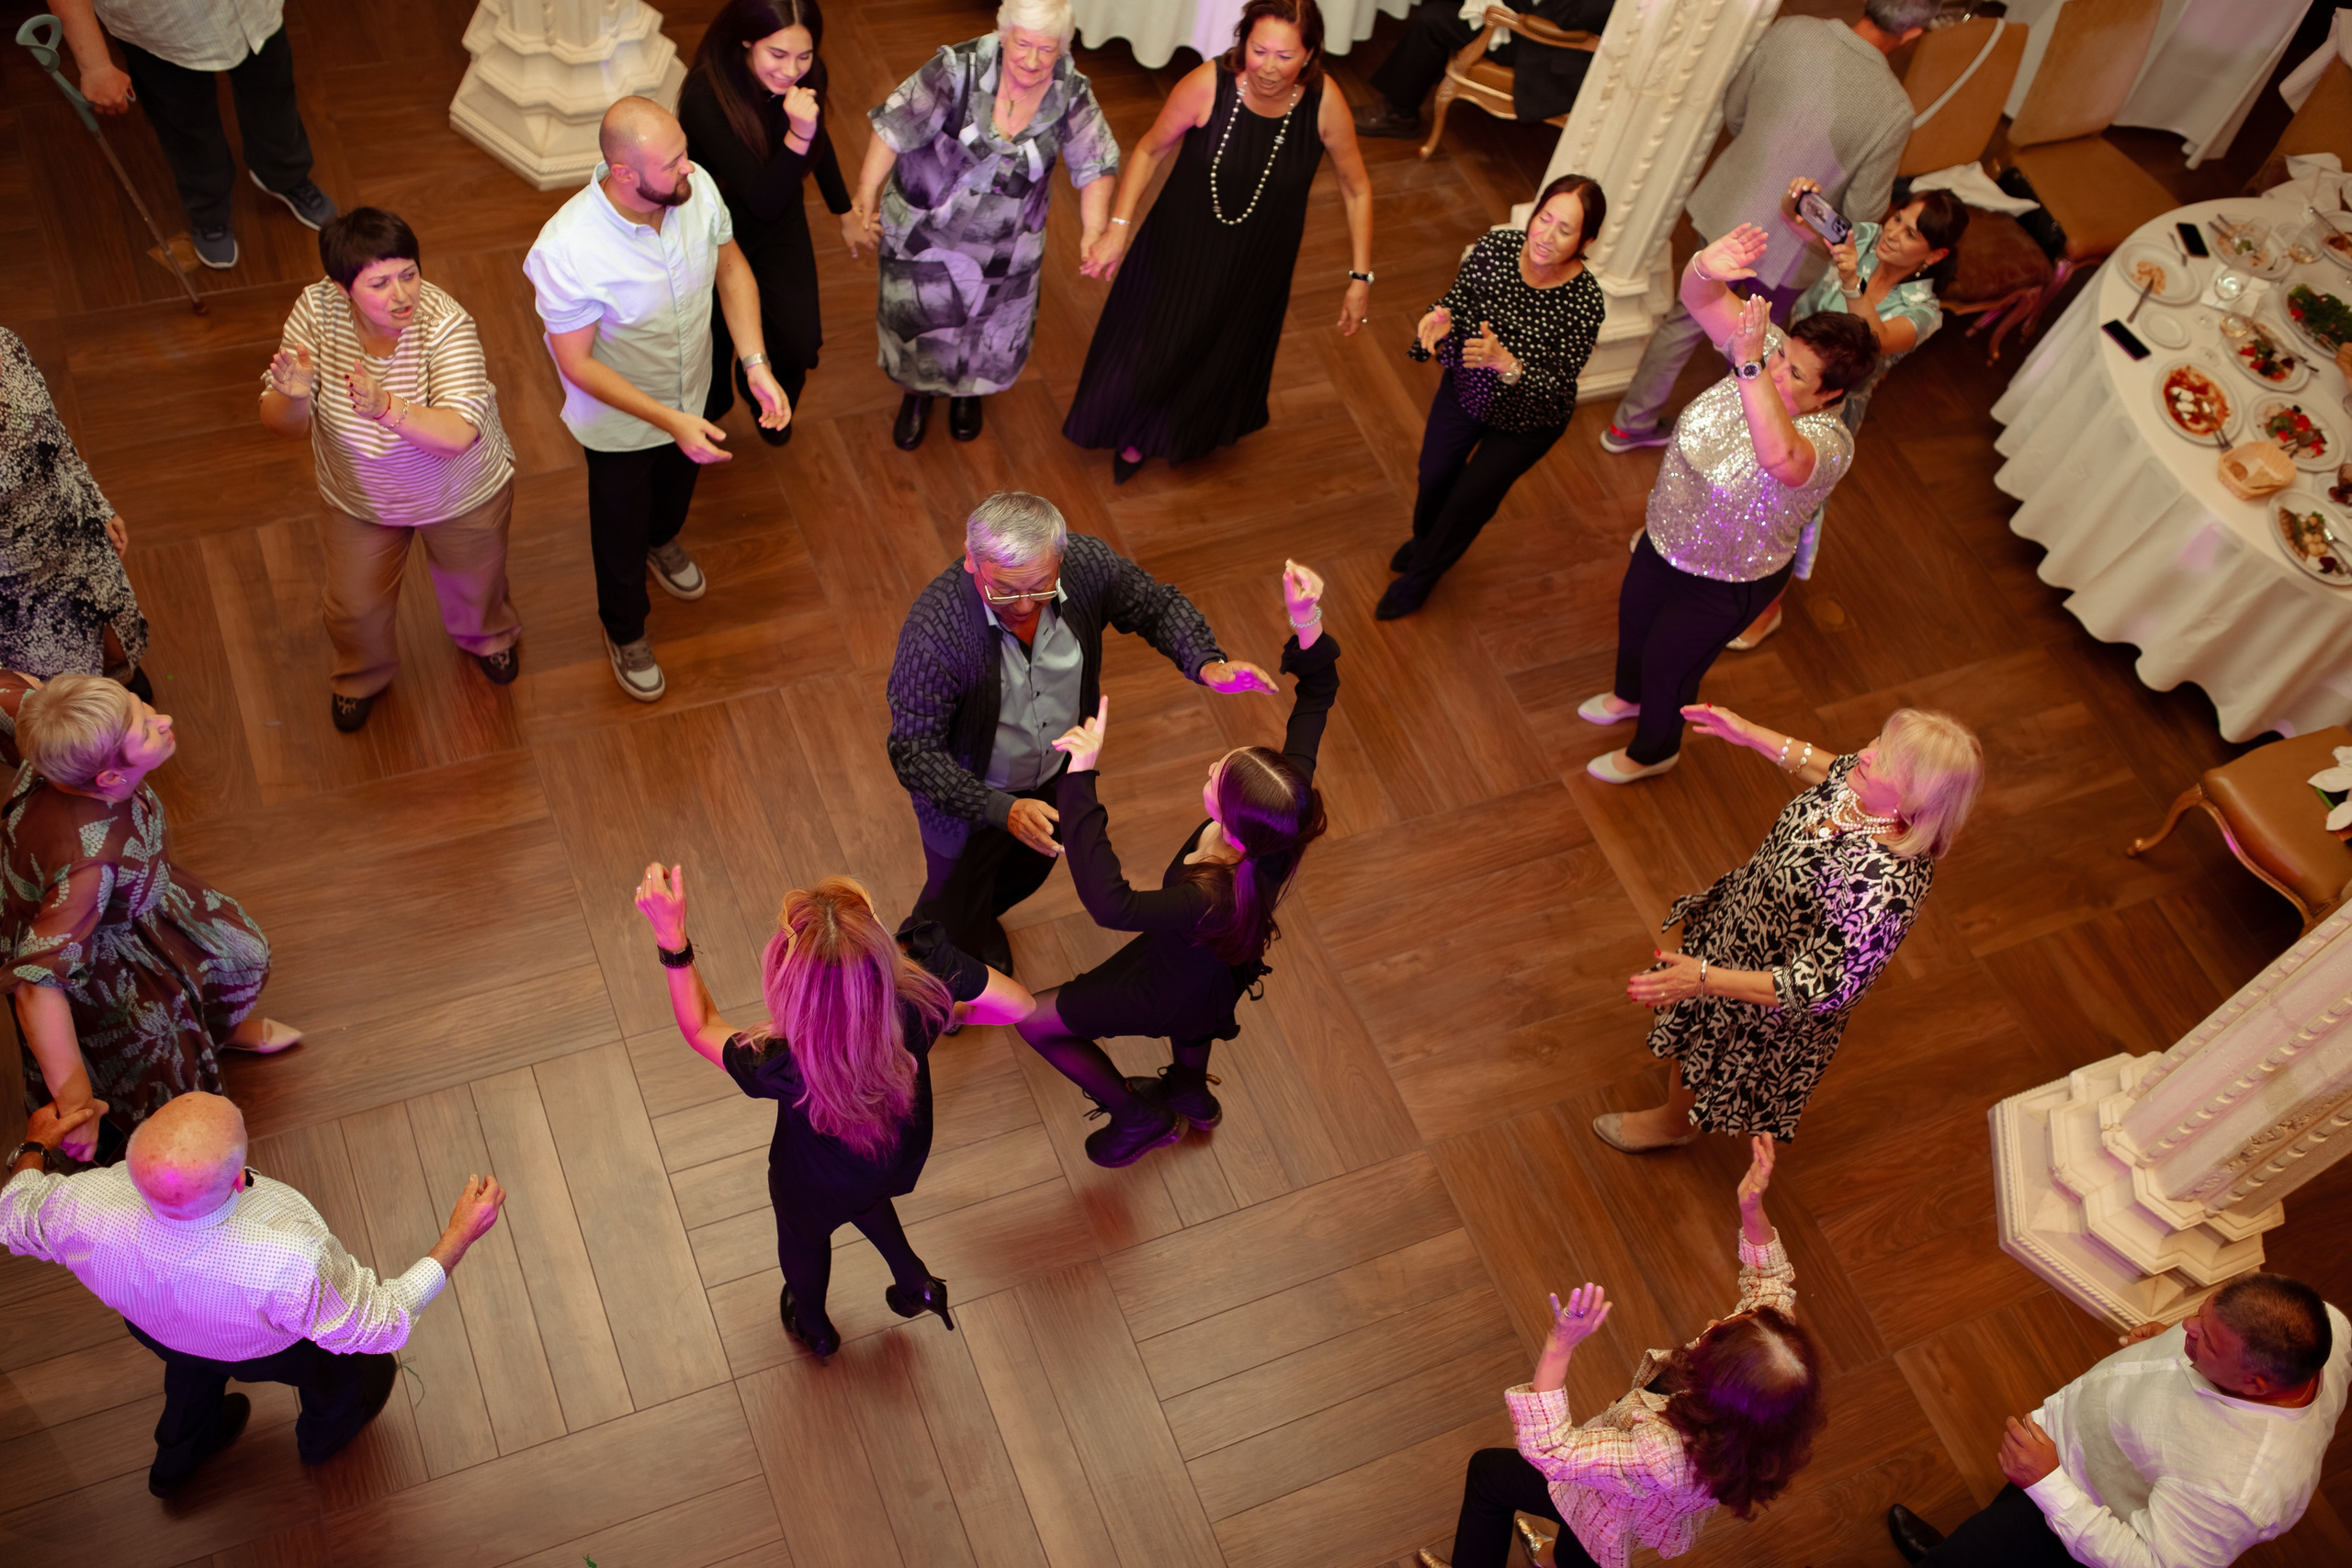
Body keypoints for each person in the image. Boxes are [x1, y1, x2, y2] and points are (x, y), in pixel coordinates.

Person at [0, 1091, 505, 1496]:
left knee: (190, 1374)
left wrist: (35, 1145)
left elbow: (15, 1211)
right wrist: (458, 1235)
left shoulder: (82, 1202)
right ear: (241, 1179)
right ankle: (320, 1444)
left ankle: (174, 1464)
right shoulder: (289, 1262)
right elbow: (383, 1321)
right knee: (350, 1376)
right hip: (269, 1350)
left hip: (158, 1329)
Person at [632, 865, 1035, 1359]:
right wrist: (954, 1005)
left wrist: (671, 937)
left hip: (815, 1178)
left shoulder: (780, 1062)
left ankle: (815, 1326)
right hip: (897, 1148)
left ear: (792, 985)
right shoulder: (924, 994)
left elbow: (700, 1027)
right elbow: (1020, 1007)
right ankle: (917, 1285)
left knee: (804, 1239)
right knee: (864, 1195)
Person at [1017, 560, 1337, 1168]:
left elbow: (1113, 905)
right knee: (1199, 1015)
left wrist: (1079, 780)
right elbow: (1317, 697)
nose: (1212, 767)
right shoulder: (1282, 814)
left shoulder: (1206, 896)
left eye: (1220, 773)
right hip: (1216, 973)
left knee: (1034, 1019)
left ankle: (1137, 1117)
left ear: (1234, 819)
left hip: (1165, 984)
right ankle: (1191, 1093)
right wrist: (1306, 618)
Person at [885, 491, 1273, 977]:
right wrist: (1002, 809)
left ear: (1060, 560)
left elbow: (1153, 604)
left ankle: (977, 927)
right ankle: (929, 960)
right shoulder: (933, 633)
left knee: (1026, 874)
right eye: (1004, 590)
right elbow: (914, 753)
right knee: (953, 897)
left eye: (1041, 587)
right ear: (971, 560)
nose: (1024, 606)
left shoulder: (1087, 565)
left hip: (1057, 776)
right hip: (972, 801)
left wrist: (1207, 661)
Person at [1418, 1134, 1822, 1568]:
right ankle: (1552, 1560)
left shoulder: (1663, 1454)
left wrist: (1560, 1345)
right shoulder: (1770, 1381)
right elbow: (1772, 1282)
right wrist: (1751, 1207)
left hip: (1607, 1506)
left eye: (1715, 1338)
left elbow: (1552, 1449)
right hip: (1635, 1513)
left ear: (1721, 1388)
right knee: (1584, 1553)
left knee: (1488, 1476)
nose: (1710, 1326)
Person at [1593, 703, 1982, 1152]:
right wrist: (1747, 731)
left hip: (1764, 990)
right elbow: (1821, 763)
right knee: (1694, 1035)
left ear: (1916, 798)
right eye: (1880, 740)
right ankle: (1677, 1108)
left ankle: (1673, 1124)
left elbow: (1822, 987)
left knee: (1706, 1048)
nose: (1866, 753)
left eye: (1886, 760)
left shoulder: (1884, 888)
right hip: (1739, 929)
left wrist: (1704, 980)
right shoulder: (1862, 789)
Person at [1578, 224, 1878, 783]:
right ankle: (1628, 697)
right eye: (1781, 356)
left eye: (1796, 374)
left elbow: (1779, 457)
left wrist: (1749, 367)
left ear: (1831, 394)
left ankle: (1654, 751)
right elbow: (1702, 298)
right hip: (1665, 535)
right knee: (1634, 622)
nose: (1778, 371)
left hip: (1728, 578)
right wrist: (1704, 266)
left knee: (1672, 666)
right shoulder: (1764, 349)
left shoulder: (1830, 445)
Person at [524, 96, 792, 705]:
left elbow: (730, 268)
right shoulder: (567, 249)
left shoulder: (693, 191)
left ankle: (662, 538)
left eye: (685, 155)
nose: (689, 169)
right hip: (619, 424)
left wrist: (754, 364)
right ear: (624, 174)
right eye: (672, 163)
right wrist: (670, 420)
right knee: (617, 529)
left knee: (673, 494)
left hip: (691, 392)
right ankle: (625, 629)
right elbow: (576, 363)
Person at [1062, 0, 1375, 484]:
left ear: (1311, 55)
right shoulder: (1208, 85)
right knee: (1157, 347)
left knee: (1222, 349)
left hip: (1260, 259)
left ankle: (1187, 433)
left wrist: (1360, 277)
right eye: (1259, 49)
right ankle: (1135, 430)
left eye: (1285, 55)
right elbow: (1149, 148)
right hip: (1180, 249)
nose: (1269, 67)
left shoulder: (1324, 102)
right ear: (1242, 43)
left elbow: (1357, 189)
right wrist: (1118, 228)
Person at [1599, 0, 1932, 453]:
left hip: (1730, 207)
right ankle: (1722, 451)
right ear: (1912, 34)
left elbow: (1735, 108)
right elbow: (1863, 216)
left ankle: (1627, 423)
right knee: (1761, 352)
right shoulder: (1893, 111)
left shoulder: (1791, 30)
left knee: (1686, 318)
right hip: (1791, 250)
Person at [3, 672, 299, 1168]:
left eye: (140, 706)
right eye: (145, 729)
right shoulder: (92, 863)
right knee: (158, 1063)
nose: (164, 720)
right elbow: (35, 986)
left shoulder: (50, 722)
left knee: (243, 955)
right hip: (100, 947)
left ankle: (215, 1032)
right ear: (110, 780)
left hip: (138, 901)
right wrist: (76, 1102)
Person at [258, 208, 522, 734]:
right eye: (379, 283)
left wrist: (385, 408)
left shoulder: (446, 322)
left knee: (477, 583)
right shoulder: (316, 309)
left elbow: (456, 436)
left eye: (409, 274)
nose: (401, 295)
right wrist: (290, 399)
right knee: (354, 607)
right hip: (361, 497)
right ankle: (362, 677)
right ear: (341, 288)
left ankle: (488, 638)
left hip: (461, 490)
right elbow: (283, 425)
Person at [1888, 1273, 2347, 1567]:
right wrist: (2169, 1335)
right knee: (1981, 1537)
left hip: (2076, 1527)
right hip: (2064, 1459)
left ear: (2257, 1385)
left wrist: (2047, 1483)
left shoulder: (2237, 1491)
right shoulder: (2326, 1323)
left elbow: (2149, 1564)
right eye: (2197, 1315)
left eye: (2203, 1339)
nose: (2187, 1327)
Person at [854, 0, 1119, 451]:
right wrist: (864, 190)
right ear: (1004, 34)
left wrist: (1094, 231)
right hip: (926, 238)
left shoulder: (1070, 90)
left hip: (1008, 249)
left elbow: (1096, 163)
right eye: (1023, 45)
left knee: (986, 335)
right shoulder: (956, 70)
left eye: (1047, 49)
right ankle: (917, 397)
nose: (1033, 61)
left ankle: (967, 395)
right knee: (920, 326)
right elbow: (895, 126)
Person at [1725, 178, 1967, 650]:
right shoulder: (1869, 238)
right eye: (1898, 218)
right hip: (1781, 370)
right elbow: (1795, 219)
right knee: (1737, 453)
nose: (1894, 233)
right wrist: (1797, 197)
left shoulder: (1924, 310)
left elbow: (1874, 343)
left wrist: (1852, 279)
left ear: (1934, 256)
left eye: (1912, 233)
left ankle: (1767, 607)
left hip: (1830, 410)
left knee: (1791, 506)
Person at [1383, 174, 1608, 620]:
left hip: (1527, 423)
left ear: (1587, 240)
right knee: (1433, 475)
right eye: (1545, 219)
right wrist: (1440, 316)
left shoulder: (1585, 302)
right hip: (1467, 390)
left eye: (1565, 230)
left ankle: (1421, 578)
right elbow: (1459, 298)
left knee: (1468, 504)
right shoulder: (1497, 248)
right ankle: (1427, 542)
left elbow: (1558, 386)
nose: (1546, 236)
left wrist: (1506, 362)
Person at [678, 0, 856, 448]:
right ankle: (708, 418)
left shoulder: (807, 75)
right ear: (745, 40)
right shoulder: (705, 95)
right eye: (777, 55)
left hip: (779, 219)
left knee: (799, 345)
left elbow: (818, 137)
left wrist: (845, 211)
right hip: (713, 230)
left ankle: (761, 390)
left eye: (804, 56)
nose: (792, 70)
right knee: (711, 348)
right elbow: (759, 198)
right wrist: (797, 135)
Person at [49, 0, 339, 270]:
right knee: (187, 127)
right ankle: (208, 209)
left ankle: (286, 175)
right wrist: (95, 65)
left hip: (256, 12)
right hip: (159, 29)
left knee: (274, 97)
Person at [0, 328, 151, 694]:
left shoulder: (4, 343)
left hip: (77, 530)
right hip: (19, 587)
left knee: (120, 639)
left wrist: (96, 502)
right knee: (73, 696)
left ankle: (120, 682)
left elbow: (53, 431)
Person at [1353, 0, 1612, 140]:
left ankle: (1399, 115)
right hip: (1527, 16)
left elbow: (1567, 16)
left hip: (1539, 44)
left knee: (1432, 20)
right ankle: (1423, 70)